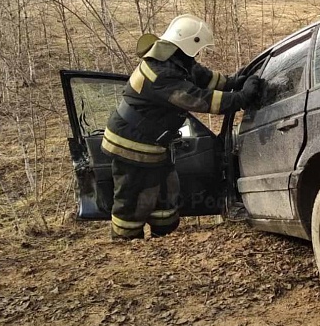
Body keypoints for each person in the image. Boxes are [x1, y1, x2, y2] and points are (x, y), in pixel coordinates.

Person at [102, 14, 262, 240]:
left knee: (167, 197)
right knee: (132, 202)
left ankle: (163, 241)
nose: (197, 55)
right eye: (197, 50)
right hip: (131, 145)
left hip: (154, 145)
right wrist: (241, 98)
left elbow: (205, 78)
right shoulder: (161, 74)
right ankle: (126, 246)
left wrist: (236, 80)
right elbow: (199, 99)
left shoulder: (174, 60)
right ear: (188, 44)